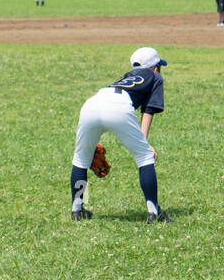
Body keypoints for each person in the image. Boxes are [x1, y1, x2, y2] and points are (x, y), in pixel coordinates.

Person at [69, 47, 171, 224]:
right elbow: (148, 110)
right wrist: (145, 143)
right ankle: (153, 212)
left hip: (92, 104)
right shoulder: (155, 77)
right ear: (155, 67)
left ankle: (77, 210)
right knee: (145, 157)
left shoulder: (126, 76)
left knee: (81, 160)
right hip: (119, 106)